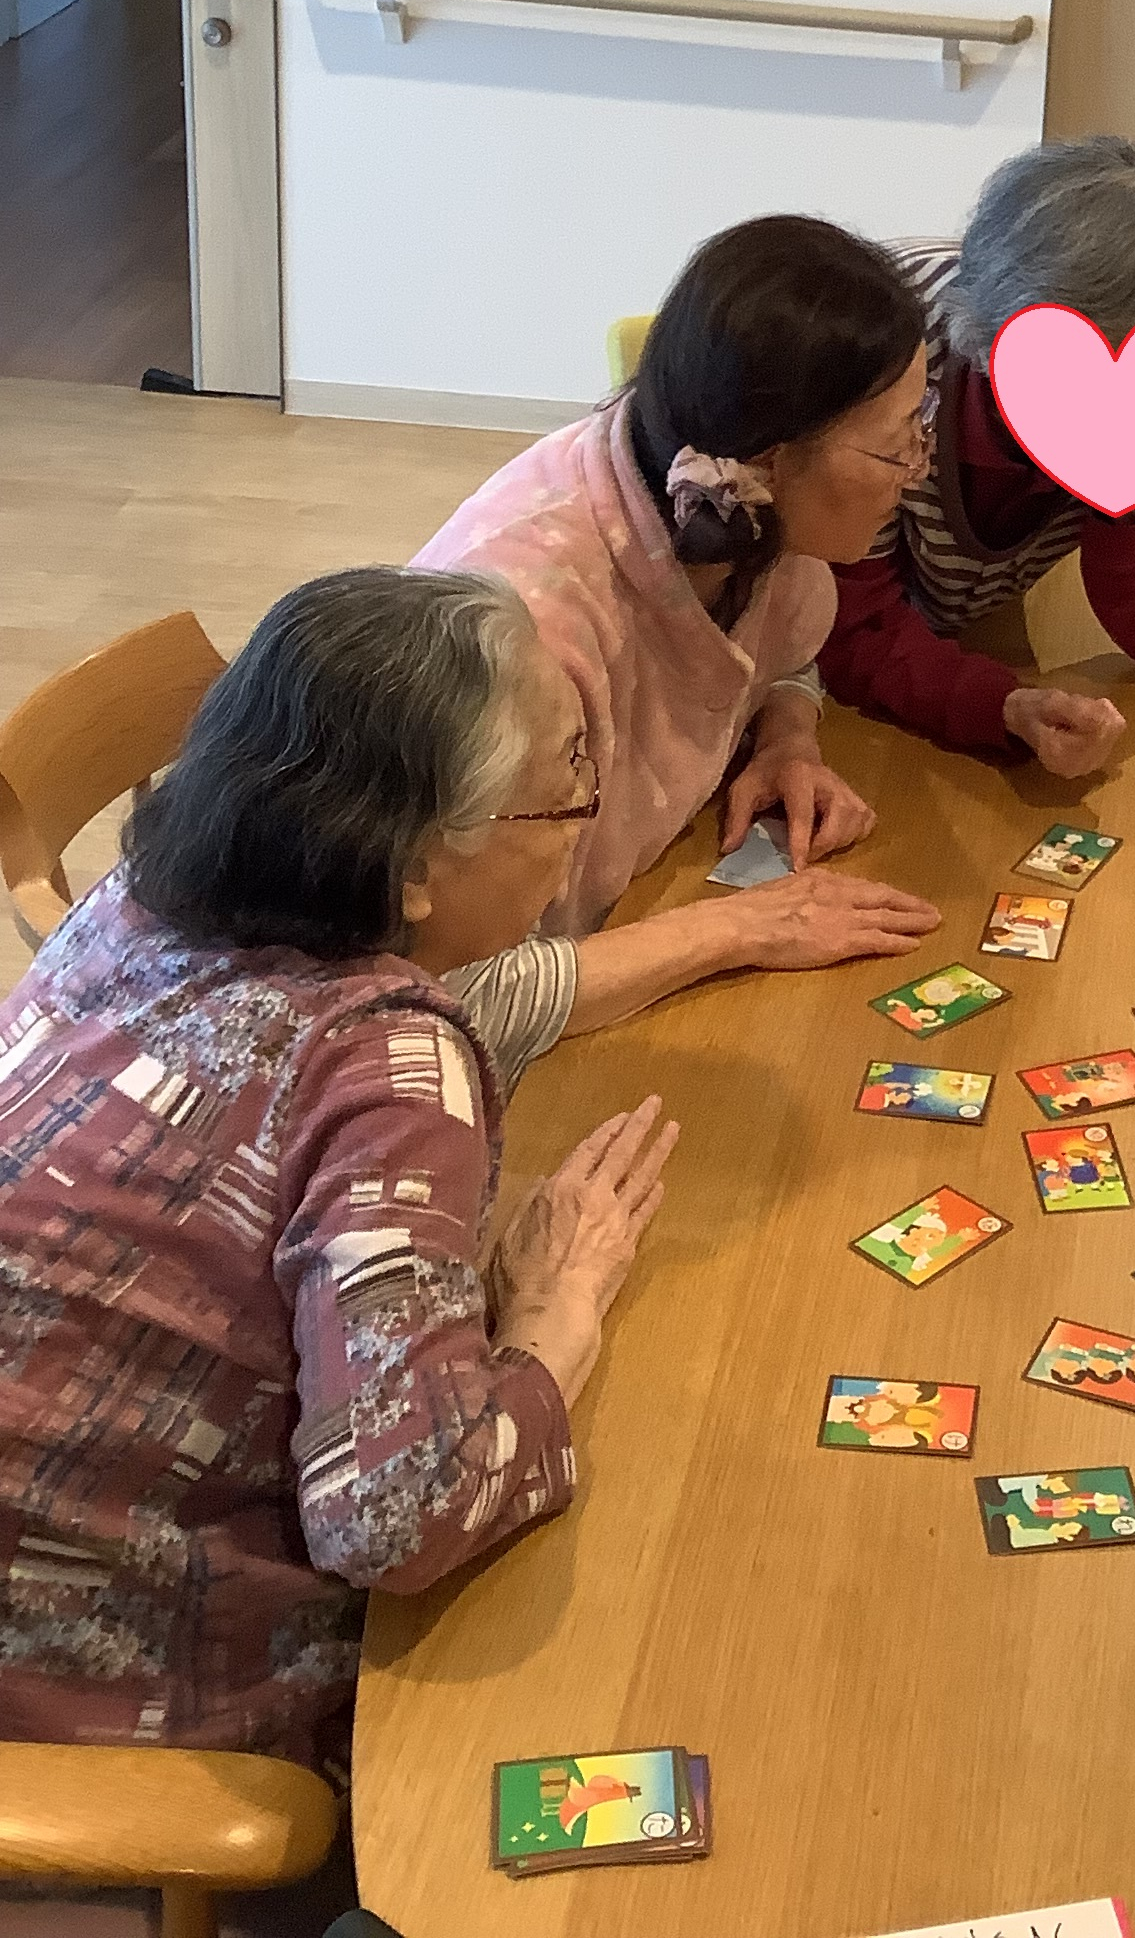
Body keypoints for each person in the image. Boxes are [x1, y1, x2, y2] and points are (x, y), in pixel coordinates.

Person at [0, 567, 675, 1778]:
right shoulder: (386, 1058)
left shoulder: (134, 900)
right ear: (412, 866)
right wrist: (552, 1320)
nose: (583, 815)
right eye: (563, 782)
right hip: (97, 1725)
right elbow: (399, 1517)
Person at [413, 217, 946, 1070]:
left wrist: (787, 734)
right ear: (771, 462)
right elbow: (429, 1002)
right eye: (895, 447)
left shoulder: (737, 513)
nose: (917, 470)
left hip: (621, 935)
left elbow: (785, 655)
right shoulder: (521, 641)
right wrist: (736, 927)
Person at [819, 137, 1135, 771]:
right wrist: (1001, 704)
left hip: (963, 636)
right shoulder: (882, 361)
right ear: (986, 347)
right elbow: (850, 630)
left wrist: (1134, 504)